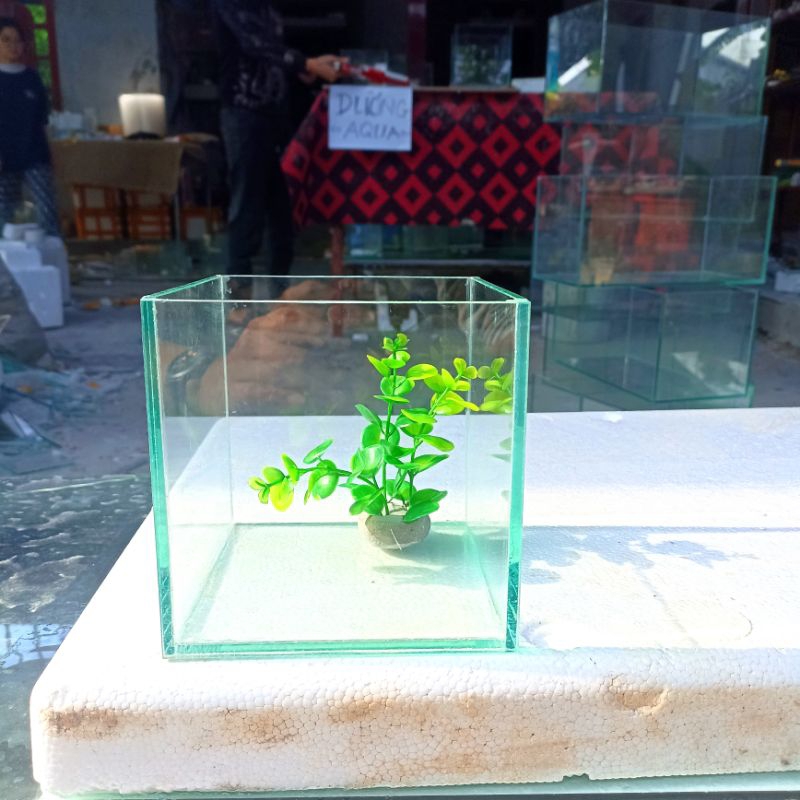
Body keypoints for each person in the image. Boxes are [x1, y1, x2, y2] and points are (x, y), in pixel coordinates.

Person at [210, 0, 343, 291]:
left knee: (281, 210)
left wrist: (303, 67)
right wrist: (306, 63)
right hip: (243, 113)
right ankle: (238, 291)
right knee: (247, 202)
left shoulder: (268, 8)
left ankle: (279, 292)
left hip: (274, 117)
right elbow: (255, 44)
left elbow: (272, 52)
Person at [0, 18, 59, 235]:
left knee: (47, 209)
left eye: (17, 40)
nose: (13, 45)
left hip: (35, 154)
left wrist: (51, 154)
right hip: (4, 158)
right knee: (6, 216)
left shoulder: (32, 78)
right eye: (6, 40)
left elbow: (42, 119)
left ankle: (53, 250)